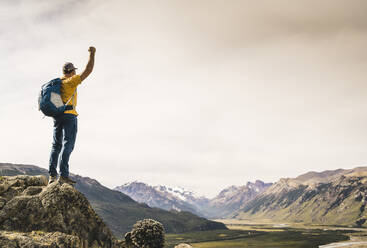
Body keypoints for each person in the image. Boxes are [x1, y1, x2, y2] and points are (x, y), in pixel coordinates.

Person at [48, 46, 96, 184]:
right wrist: (92, 54)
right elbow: (88, 70)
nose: (75, 73)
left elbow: (56, 102)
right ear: (70, 72)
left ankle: (52, 175)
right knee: (67, 144)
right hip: (69, 115)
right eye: (74, 71)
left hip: (58, 116)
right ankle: (63, 175)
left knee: (55, 145)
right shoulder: (70, 82)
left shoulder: (57, 83)